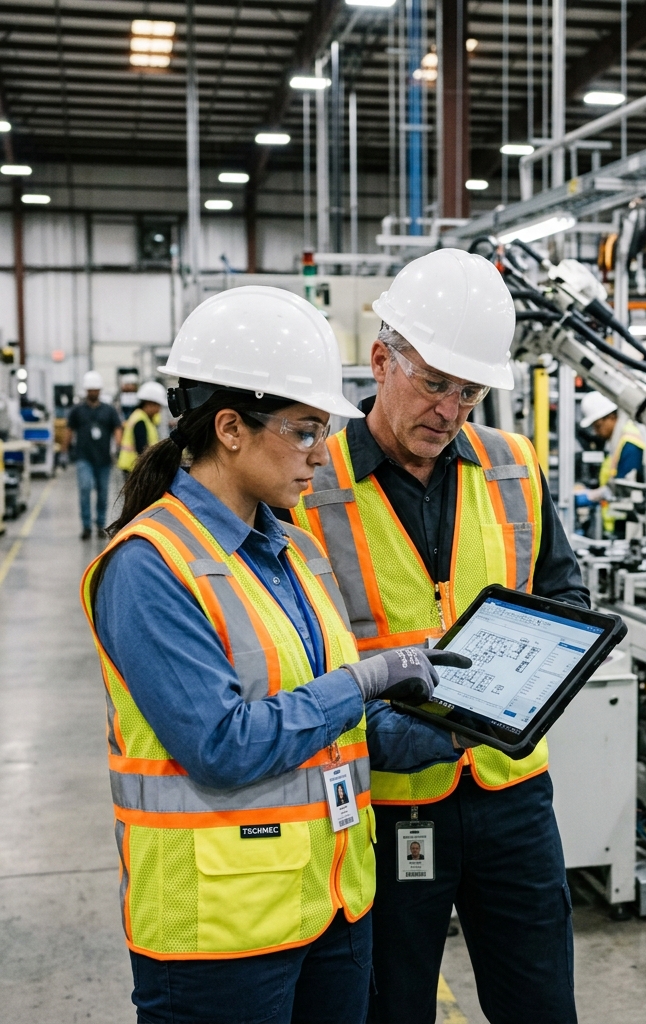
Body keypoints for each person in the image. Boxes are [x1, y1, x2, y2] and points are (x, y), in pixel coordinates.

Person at [79, 286, 470, 1024]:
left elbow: (327, 730)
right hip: (220, 935)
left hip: (330, 908)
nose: (322, 457)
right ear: (230, 427)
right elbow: (224, 745)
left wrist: (449, 729)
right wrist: (366, 679)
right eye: (303, 431)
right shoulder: (150, 566)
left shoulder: (289, 550)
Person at [292, 248, 588, 1024]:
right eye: (434, 383)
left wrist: (527, 687)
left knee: (542, 1002)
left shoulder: (513, 464)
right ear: (382, 359)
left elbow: (564, 592)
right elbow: (289, 649)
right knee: (391, 1004)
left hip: (511, 791)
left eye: (470, 391)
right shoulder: (307, 484)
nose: (451, 409)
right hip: (386, 801)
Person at [579, 390, 645, 535]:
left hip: (627, 524)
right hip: (616, 523)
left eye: (597, 425)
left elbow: (624, 487)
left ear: (611, 417)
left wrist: (590, 496)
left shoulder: (629, 443)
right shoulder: (616, 442)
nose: (596, 432)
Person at [65, 370, 122, 539]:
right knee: (85, 488)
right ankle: (86, 526)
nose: (93, 393)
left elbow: (117, 428)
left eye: (96, 389)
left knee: (103, 492)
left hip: (103, 459)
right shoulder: (77, 411)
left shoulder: (109, 411)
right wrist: (63, 451)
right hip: (84, 457)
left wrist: (118, 447)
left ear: (100, 390)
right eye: (90, 390)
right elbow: (69, 430)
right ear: (86, 391)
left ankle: (100, 525)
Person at [117, 380, 167, 477]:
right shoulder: (140, 420)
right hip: (134, 468)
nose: (159, 409)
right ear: (149, 404)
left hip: (135, 467)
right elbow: (142, 448)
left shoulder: (143, 417)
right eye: (158, 406)